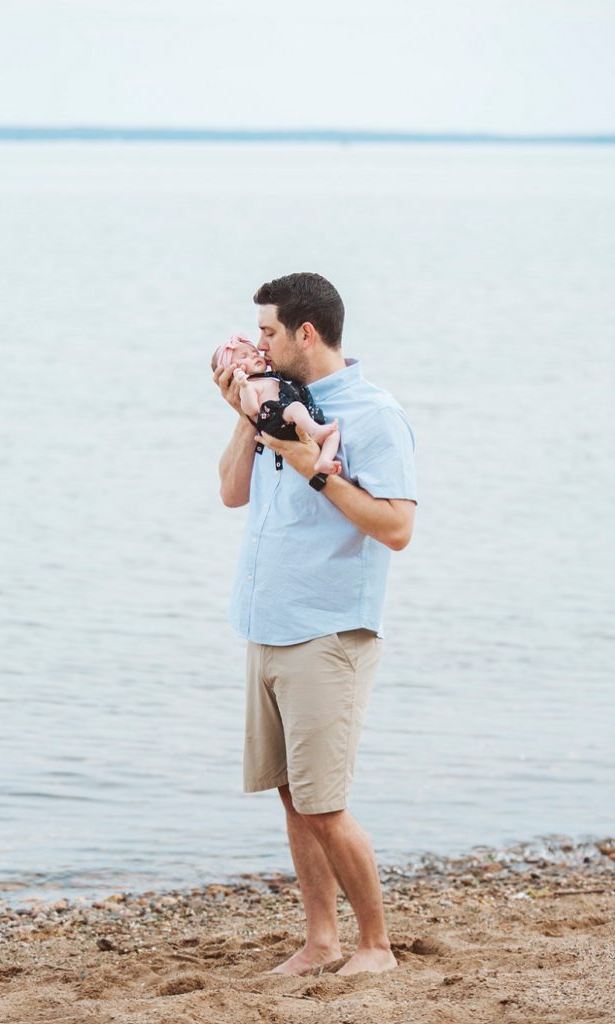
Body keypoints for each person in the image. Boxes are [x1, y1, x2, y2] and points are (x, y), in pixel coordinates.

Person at [213, 272, 417, 977]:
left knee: (325, 805)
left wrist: (314, 469)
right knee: (293, 798)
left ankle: (376, 948)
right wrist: (245, 416)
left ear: (306, 333)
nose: (258, 345)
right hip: (265, 624)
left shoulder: (371, 415)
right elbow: (231, 493)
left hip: (328, 632)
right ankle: (321, 942)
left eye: (268, 332)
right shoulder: (277, 403)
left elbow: (396, 528)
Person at [211, 334, 341, 474]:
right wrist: (244, 386)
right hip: (276, 418)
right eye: (244, 356)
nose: (254, 355)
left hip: (294, 416)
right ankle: (315, 430)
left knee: (334, 434)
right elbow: (251, 409)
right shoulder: (250, 385)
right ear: (232, 371)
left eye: (255, 352)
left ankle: (324, 460)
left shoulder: (272, 376)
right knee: (296, 408)